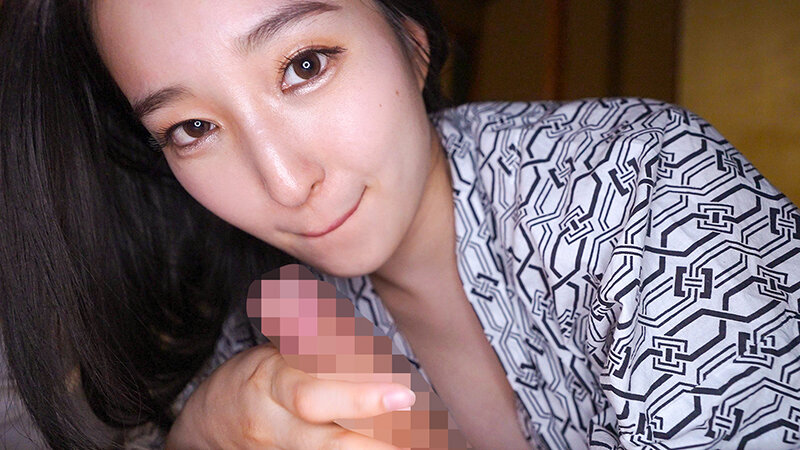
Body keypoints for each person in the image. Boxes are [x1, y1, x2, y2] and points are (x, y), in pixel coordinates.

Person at [1, 0, 799, 449]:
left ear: (412, 43)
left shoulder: (645, 184)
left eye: (305, 65)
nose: (285, 182)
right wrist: (200, 438)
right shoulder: (260, 324)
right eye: (193, 128)